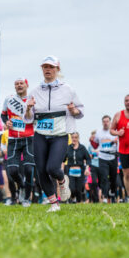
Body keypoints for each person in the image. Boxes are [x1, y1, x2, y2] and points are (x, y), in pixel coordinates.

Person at [25, 55, 84, 212]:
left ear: (57, 69)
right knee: (41, 170)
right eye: (45, 67)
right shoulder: (35, 91)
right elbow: (28, 120)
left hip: (60, 135)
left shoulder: (68, 90)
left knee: (52, 168)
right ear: (42, 70)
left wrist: (73, 110)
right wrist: (29, 108)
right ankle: (54, 204)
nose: (48, 70)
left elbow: (80, 112)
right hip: (40, 135)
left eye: (51, 67)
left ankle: (62, 181)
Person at [1, 78, 35, 207]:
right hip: (13, 138)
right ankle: (21, 186)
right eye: (16, 84)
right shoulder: (9, 99)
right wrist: (6, 122)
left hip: (29, 137)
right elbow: (3, 115)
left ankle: (26, 198)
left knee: (28, 169)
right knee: (13, 170)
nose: (19, 85)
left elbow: (36, 116)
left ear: (27, 85)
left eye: (21, 83)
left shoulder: (32, 99)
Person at [110, 94, 129, 203]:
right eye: (126, 101)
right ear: (124, 102)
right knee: (127, 174)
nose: (128, 102)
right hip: (123, 149)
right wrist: (117, 132)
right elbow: (111, 130)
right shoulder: (118, 115)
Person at [90, 116, 118, 203]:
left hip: (113, 156)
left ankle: (112, 192)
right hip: (102, 157)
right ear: (102, 122)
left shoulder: (115, 132)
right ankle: (105, 196)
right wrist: (91, 141)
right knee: (104, 177)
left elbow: (119, 145)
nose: (105, 123)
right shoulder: (99, 132)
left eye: (107, 121)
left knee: (113, 178)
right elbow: (95, 145)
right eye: (104, 121)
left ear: (110, 122)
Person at [66, 132, 91, 203]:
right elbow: (63, 159)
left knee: (79, 189)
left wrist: (87, 168)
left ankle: (78, 202)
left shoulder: (82, 148)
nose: (74, 139)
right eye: (72, 137)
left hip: (80, 171)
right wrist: (61, 169)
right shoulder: (68, 148)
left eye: (76, 137)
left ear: (78, 138)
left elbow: (88, 159)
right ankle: (73, 198)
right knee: (72, 189)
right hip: (70, 171)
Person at [87, 131, 100, 203]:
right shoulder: (89, 146)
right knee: (94, 183)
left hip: (101, 165)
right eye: (93, 137)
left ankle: (104, 198)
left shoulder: (100, 145)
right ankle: (96, 200)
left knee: (102, 183)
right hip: (93, 165)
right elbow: (89, 156)